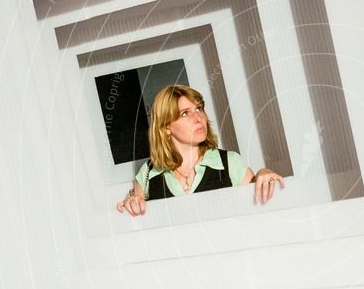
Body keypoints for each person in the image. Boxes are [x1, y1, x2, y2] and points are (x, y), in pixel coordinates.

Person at [116, 84, 285, 216]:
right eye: (185, 113)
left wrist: (264, 173)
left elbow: (261, 210)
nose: (198, 117)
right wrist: (129, 205)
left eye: (199, 108)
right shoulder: (148, 173)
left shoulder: (229, 162)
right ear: (166, 127)